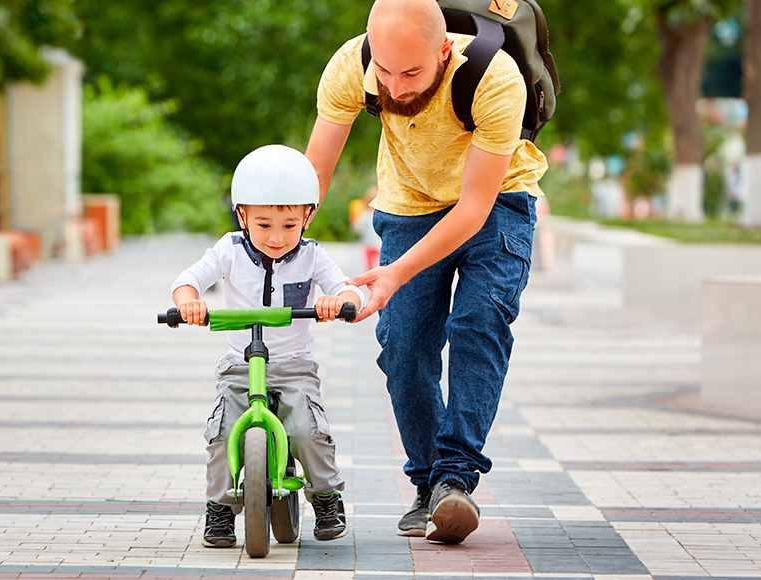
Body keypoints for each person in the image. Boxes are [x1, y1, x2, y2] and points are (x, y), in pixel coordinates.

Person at [304, 0, 547, 544]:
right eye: (384, 72)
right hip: (409, 204)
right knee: (404, 345)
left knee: (478, 323)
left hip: (497, 202)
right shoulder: (351, 67)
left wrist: (394, 275)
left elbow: (473, 208)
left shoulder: (492, 74)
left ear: (443, 49)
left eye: (412, 72)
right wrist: (280, 246)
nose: (396, 85)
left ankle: (455, 478)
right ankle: (428, 486)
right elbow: (314, 176)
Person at [172, 144, 366, 547]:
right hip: (239, 366)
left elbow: (349, 291)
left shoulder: (313, 257)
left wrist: (340, 302)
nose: (276, 237)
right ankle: (220, 509)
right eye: (263, 225)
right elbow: (188, 279)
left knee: (308, 430)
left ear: (307, 217)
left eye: (289, 225)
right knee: (222, 432)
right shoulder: (229, 249)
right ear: (241, 215)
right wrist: (189, 302)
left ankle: (327, 497)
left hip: (293, 366)